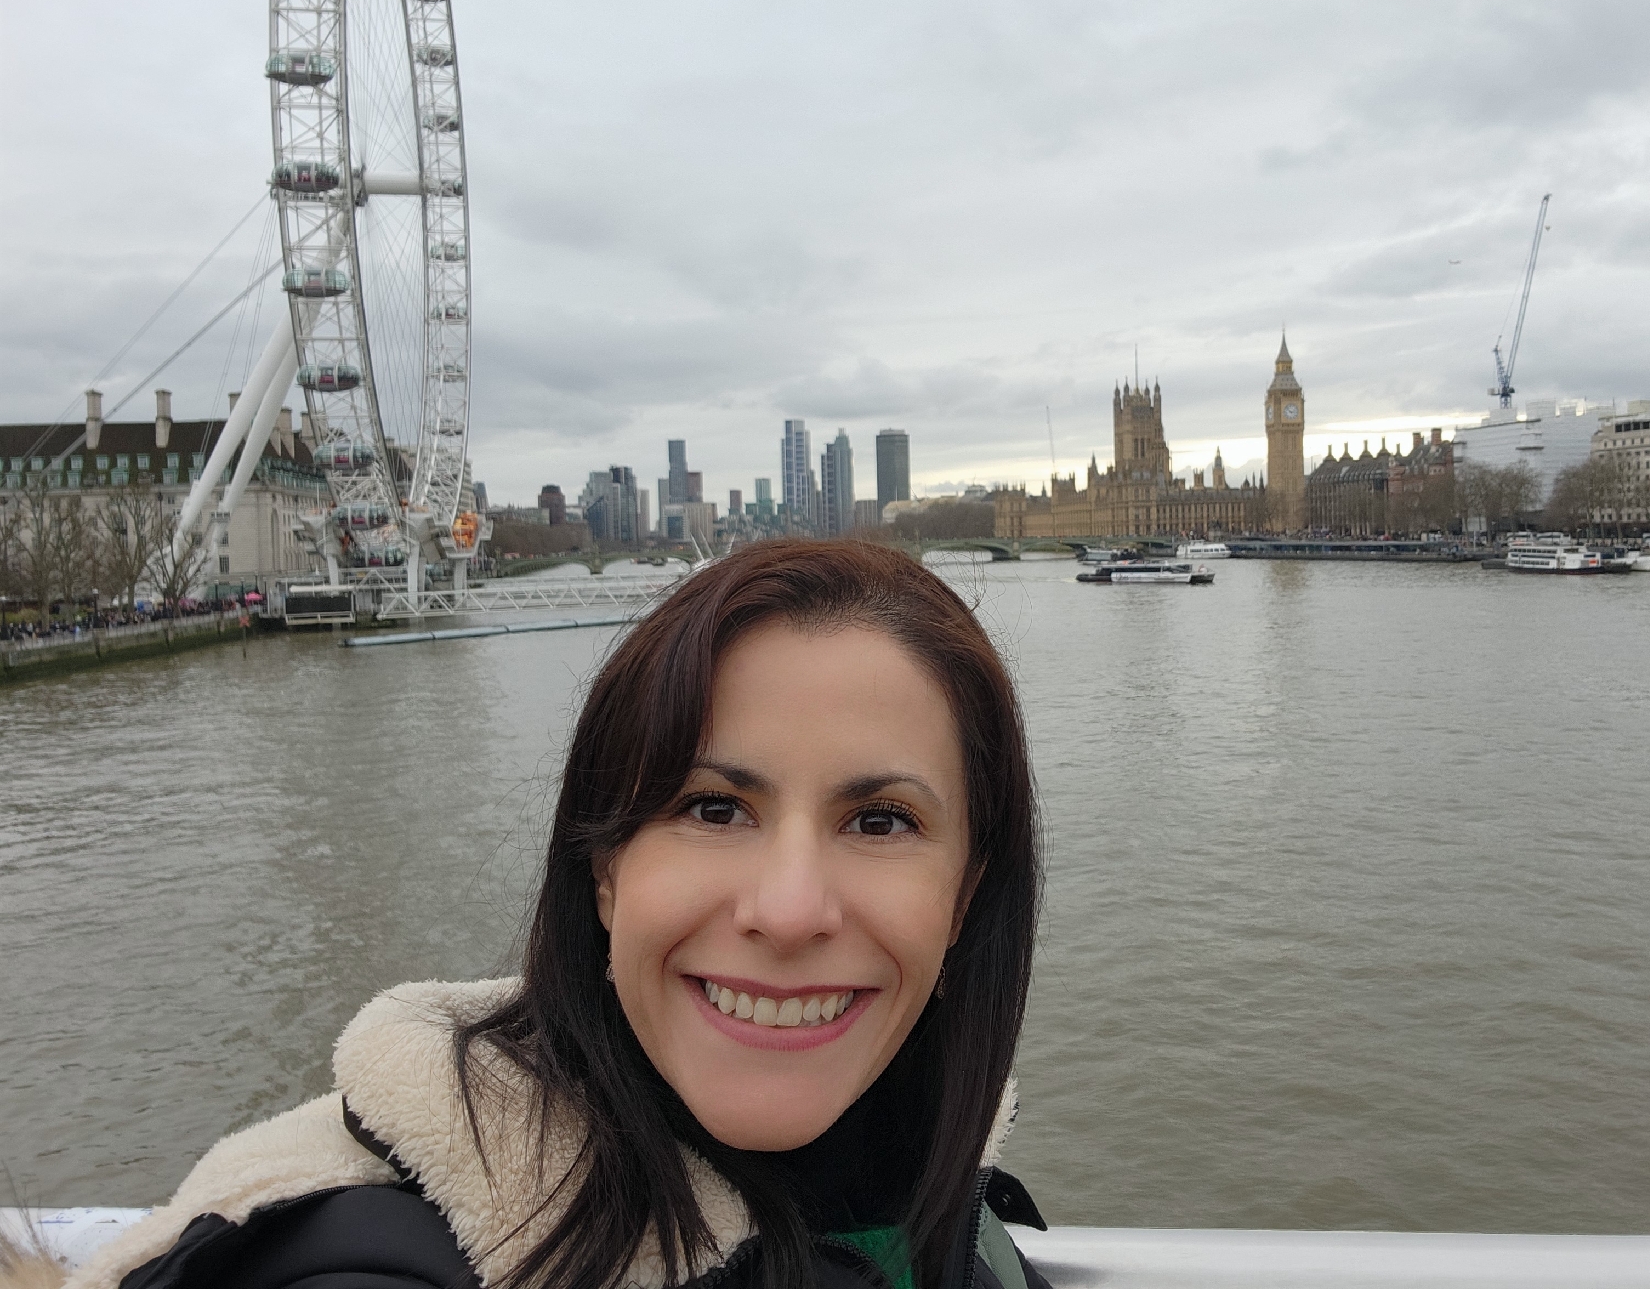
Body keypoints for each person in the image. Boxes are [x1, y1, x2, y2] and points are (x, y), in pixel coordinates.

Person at [75, 541, 1052, 1289]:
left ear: (966, 896)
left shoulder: (946, 1196)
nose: (789, 910)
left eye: (880, 821)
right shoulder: (369, 1252)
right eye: (713, 809)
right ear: (603, 870)